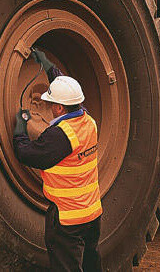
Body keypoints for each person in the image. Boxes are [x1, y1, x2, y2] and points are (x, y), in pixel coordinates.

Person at [13, 49, 102, 272]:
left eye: (51, 103)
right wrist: (49, 67)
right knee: (91, 263)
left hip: (67, 219)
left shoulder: (60, 136)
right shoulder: (88, 120)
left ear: (59, 108)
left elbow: (27, 154)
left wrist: (20, 128)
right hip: (92, 214)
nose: (49, 107)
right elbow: (68, 94)